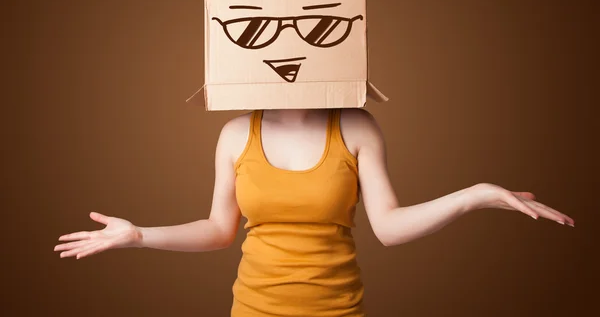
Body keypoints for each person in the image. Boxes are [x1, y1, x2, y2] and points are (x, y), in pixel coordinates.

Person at [54, 107, 574, 316]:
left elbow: (388, 228)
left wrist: (476, 195)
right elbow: (218, 230)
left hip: (337, 311)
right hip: (255, 312)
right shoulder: (237, 133)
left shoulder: (356, 126)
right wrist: (139, 235)